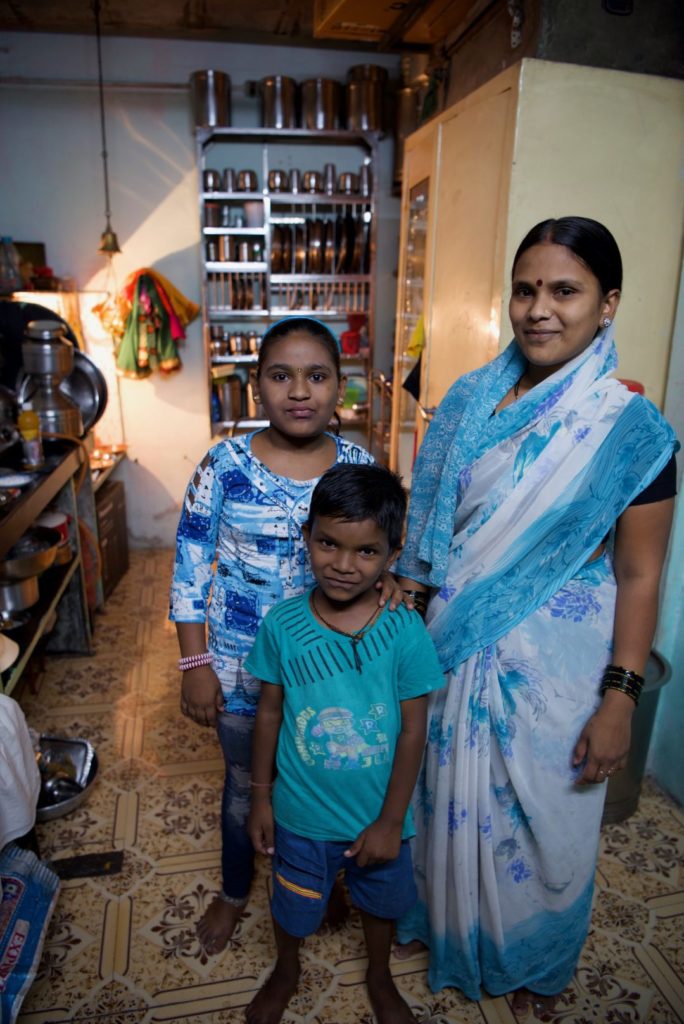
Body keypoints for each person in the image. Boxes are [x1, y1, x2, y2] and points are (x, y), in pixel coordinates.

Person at [393, 217, 678, 1016]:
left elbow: (640, 571)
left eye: (565, 290)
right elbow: (430, 536)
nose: (539, 309)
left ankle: (532, 958)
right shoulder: (466, 405)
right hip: (450, 648)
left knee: (546, 819)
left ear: (607, 303)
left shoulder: (632, 433)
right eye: (526, 289)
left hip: (560, 672)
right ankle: (447, 924)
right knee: (442, 794)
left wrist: (620, 695)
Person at [170, 317, 403, 955]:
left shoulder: (359, 466)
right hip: (242, 668)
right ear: (255, 390)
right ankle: (236, 889)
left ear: (341, 388)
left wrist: (391, 581)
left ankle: (317, 880)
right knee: (248, 785)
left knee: (327, 774)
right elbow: (190, 568)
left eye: (317, 376)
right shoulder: (223, 465)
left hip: (332, 673)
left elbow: (384, 553)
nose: (299, 391)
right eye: (280, 375)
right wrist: (195, 662)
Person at [244, 464, 445, 1024]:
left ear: (391, 555)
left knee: (380, 903)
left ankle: (380, 978)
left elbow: (412, 731)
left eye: (366, 552)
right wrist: (261, 797)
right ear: (307, 536)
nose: (342, 564)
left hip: (377, 817)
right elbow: (269, 713)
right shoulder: (283, 625)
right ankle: (287, 969)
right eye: (328, 543)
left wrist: (391, 820)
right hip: (301, 813)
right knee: (293, 901)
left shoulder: (404, 631)